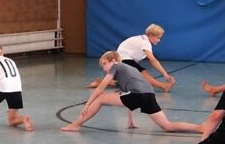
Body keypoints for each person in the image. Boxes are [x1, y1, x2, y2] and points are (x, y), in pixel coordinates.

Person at [62, 52, 202, 133]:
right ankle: (201, 128)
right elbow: (128, 97)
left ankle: (76, 125)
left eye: (104, 64)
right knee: (167, 126)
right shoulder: (127, 71)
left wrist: (89, 103)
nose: (104, 68)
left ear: (113, 61)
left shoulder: (116, 67)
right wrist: (131, 121)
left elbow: (100, 88)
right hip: (149, 95)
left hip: (138, 95)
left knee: (101, 99)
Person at [115, 24, 176, 92]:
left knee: (133, 77)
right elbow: (153, 60)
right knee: (142, 73)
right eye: (158, 38)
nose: (159, 40)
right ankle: (163, 86)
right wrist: (165, 74)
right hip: (123, 58)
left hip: (123, 58)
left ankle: (107, 81)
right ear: (150, 35)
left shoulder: (143, 39)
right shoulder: (145, 43)